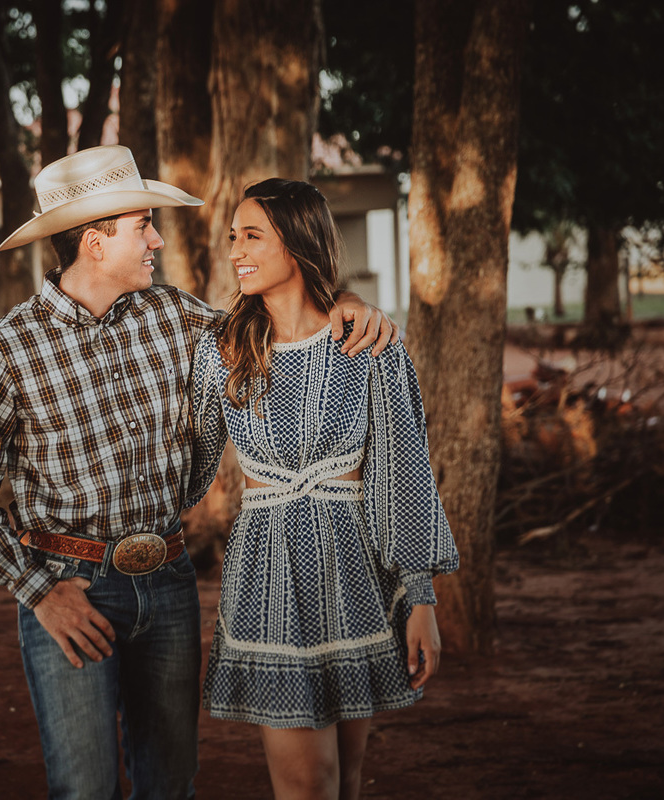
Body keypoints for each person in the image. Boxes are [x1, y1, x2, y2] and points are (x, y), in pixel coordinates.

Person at [0, 146, 397, 799]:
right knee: (86, 787)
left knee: (171, 783)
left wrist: (348, 299)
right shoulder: (6, 349)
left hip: (169, 583)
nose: (156, 238)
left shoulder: (178, 318)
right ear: (96, 243)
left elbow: (281, 321)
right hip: (69, 589)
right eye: (142, 226)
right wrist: (39, 591)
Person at [189, 178, 459, 800]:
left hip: (354, 577)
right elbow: (192, 456)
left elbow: (404, 473)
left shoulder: (368, 345)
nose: (236, 251)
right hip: (269, 579)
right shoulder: (223, 349)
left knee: (348, 778)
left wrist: (421, 596)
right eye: (233, 237)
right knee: (307, 786)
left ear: (298, 241)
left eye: (252, 235)